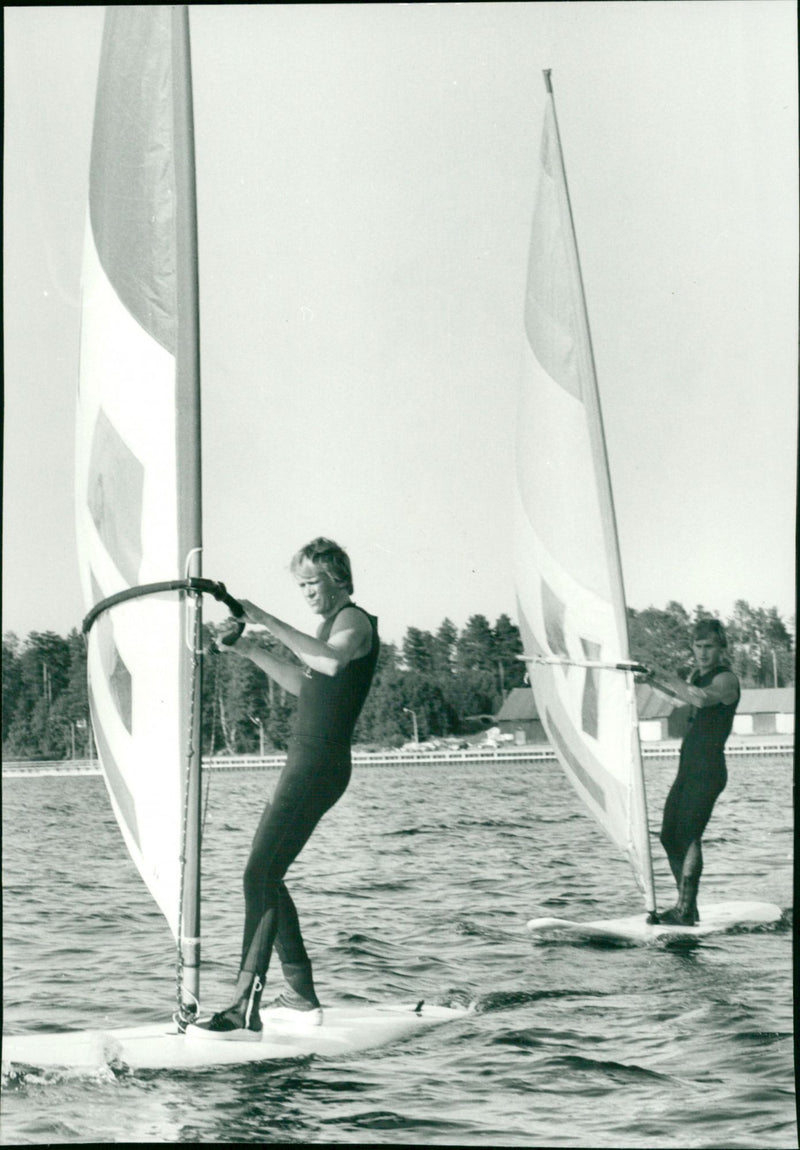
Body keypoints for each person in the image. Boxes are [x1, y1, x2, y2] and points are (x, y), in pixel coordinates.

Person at [187, 537, 379, 1041]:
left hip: (318, 767)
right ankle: (298, 993)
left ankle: (244, 1005)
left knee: (259, 873)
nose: (308, 593)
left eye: (313, 583)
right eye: (301, 587)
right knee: (264, 873)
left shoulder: (354, 621)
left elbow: (333, 663)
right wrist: (248, 646)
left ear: (338, 578)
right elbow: (306, 683)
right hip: (307, 764)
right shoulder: (326, 628)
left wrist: (264, 618)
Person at [646, 618, 740, 925]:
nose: (702, 653)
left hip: (709, 769)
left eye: (709, 647)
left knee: (688, 835)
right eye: (698, 646)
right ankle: (685, 906)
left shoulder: (726, 679)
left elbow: (700, 697)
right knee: (668, 836)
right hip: (687, 768)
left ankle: (686, 908)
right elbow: (678, 698)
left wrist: (663, 672)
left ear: (721, 648)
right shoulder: (694, 676)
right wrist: (649, 680)